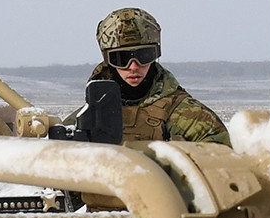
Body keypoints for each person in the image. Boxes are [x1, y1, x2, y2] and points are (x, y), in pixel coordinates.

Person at [58, 8, 228, 148]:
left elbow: (224, 171)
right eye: (121, 59)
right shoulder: (86, 120)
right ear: (108, 61)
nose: (133, 67)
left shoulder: (191, 118)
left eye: (143, 56)